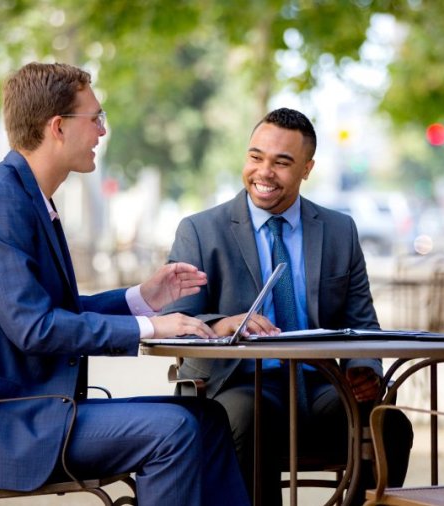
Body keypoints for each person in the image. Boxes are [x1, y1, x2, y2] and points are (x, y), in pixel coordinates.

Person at [0, 62, 248, 506]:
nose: (102, 131)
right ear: (57, 127)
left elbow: (59, 308)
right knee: (174, 431)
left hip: (35, 409)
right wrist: (154, 328)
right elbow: (36, 328)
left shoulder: (28, 197)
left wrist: (144, 299)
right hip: (0, 425)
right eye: (95, 118)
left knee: (208, 416)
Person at [163, 107, 412, 506]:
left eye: (282, 162)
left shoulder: (338, 230)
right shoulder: (199, 231)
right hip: (240, 385)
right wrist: (224, 323)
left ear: (307, 168)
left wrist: (365, 367)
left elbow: (362, 320)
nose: (264, 172)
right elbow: (175, 320)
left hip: (324, 387)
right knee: (249, 417)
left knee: (391, 426)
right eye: (255, 157)